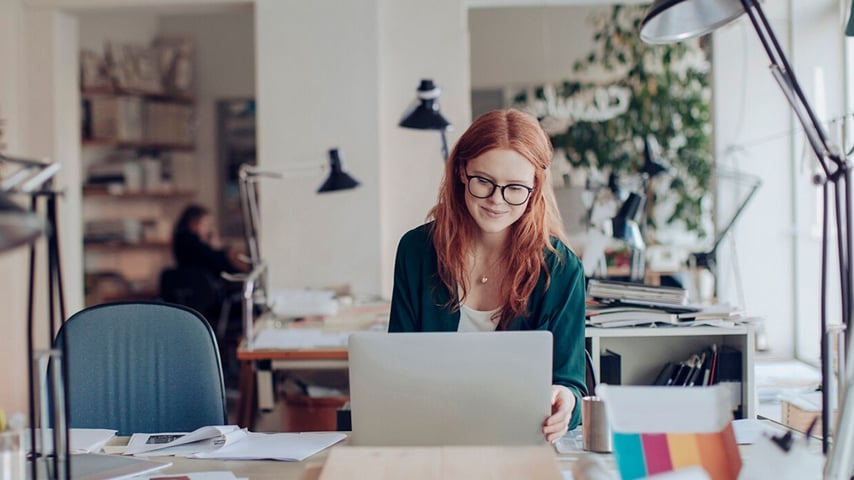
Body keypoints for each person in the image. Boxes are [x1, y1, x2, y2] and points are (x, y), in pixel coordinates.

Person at [388, 109, 587, 443]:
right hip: (429, 437)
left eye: (515, 188)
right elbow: (395, 369)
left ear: (534, 189)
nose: (497, 200)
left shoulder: (561, 268)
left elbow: (571, 386)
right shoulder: (416, 251)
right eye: (484, 181)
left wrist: (566, 401)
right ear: (462, 172)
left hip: (520, 442)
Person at [172, 204, 246, 276]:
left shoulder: (183, 241)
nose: (209, 229)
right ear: (193, 224)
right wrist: (217, 248)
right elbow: (219, 262)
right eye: (206, 225)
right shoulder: (192, 244)